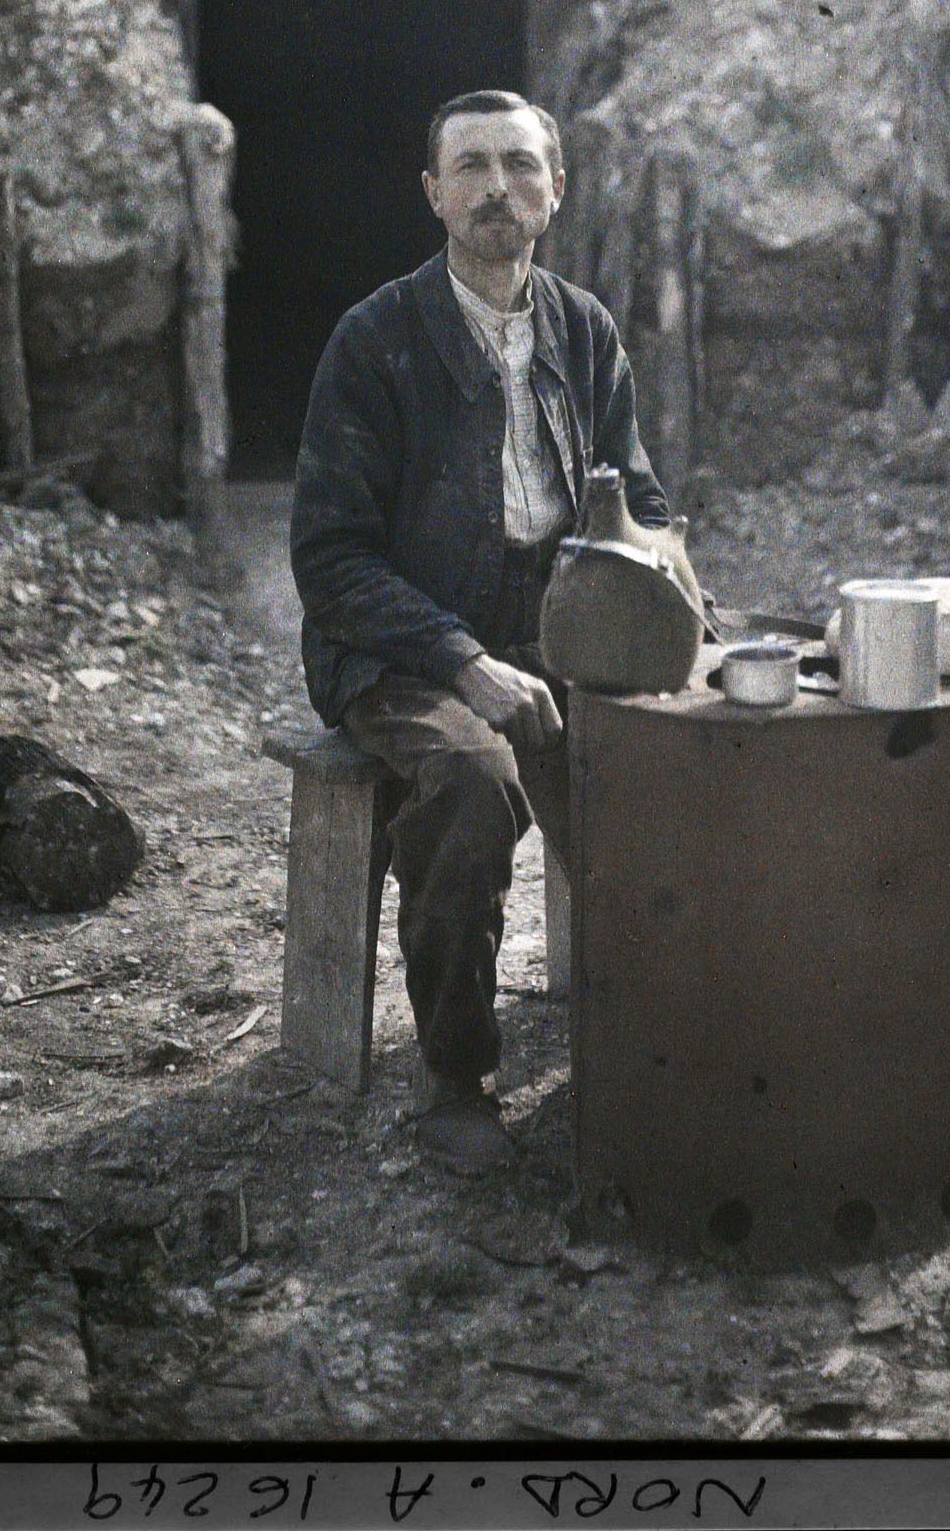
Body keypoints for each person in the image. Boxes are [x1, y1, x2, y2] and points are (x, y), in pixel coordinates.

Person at [290, 89, 671, 1173]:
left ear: (556, 189)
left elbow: (638, 497)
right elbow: (329, 560)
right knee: (468, 778)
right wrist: (463, 659)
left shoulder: (583, 328)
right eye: (469, 167)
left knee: (682, 752)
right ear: (432, 193)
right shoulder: (376, 339)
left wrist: (668, 594)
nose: (495, 188)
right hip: (403, 643)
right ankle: (457, 1073)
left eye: (518, 164)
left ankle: (652, 1039)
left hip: (553, 626)